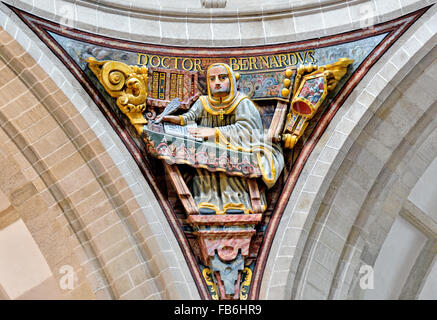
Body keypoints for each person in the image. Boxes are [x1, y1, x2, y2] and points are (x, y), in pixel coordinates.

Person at [161, 63, 284, 214]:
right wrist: (176, 119)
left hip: (241, 146)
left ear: (231, 80)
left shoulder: (241, 102)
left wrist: (214, 133)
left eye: (222, 77)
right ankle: (206, 201)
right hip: (208, 148)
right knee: (202, 158)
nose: (217, 82)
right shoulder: (203, 102)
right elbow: (190, 116)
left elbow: (248, 131)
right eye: (212, 79)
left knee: (230, 158)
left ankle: (237, 204)